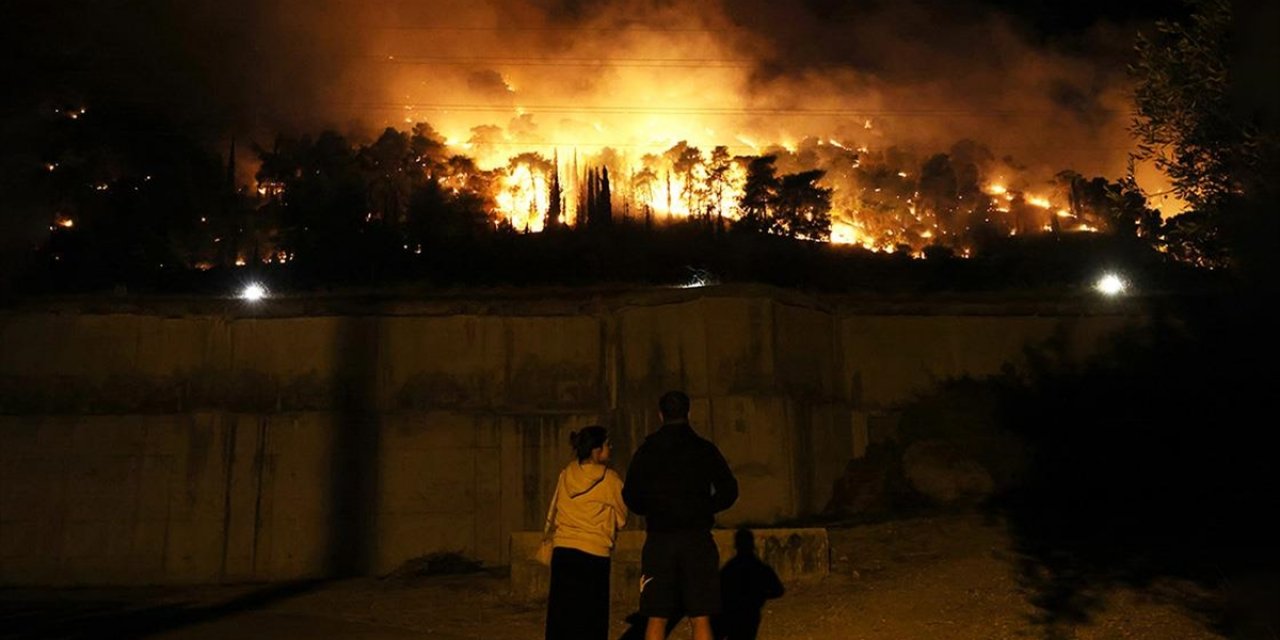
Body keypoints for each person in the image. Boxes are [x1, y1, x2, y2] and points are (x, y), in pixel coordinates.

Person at [623, 391, 739, 640]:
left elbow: (630, 494)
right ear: (689, 413)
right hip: (697, 538)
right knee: (700, 616)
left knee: (656, 616)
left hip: (660, 539)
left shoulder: (648, 450)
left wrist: (652, 508)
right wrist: (705, 507)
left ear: (660, 415)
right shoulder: (704, 449)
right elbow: (729, 490)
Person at [544, 425, 628, 640]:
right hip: (594, 553)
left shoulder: (566, 474)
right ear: (596, 450)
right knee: (592, 618)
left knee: (561, 618)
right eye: (607, 444)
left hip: (563, 551)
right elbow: (622, 517)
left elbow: (556, 507)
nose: (611, 447)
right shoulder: (610, 479)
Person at [712, 529, 784, 640]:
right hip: (750, 614)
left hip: (732, 613)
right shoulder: (760, 568)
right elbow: (778, 590)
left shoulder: (730, 568)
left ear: (736, 545)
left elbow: (718, 591)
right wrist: (760, 595)